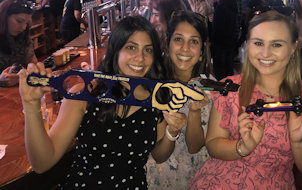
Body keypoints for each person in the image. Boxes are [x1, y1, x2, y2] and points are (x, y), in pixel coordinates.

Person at [18, 15, 187, 189]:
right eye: (131, 47)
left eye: (148, 50)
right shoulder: (83, 95)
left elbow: (159, 155)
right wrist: (31, 106)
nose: (141, 58)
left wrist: (172, 132)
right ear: (116, 51)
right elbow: (42, 163)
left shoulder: (157, 98)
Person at [190, 10, 302, 189]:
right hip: (216, 182)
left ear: (293, 47)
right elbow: (213, 144)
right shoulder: (230, 88)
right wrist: (241, 148)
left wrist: (298, 143)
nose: (265, 53)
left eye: (277, 45)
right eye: (258, 43)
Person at [147, 11, 211, 189]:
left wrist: (195, 111)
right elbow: (158, 154)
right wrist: (171, 130)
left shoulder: (208, 88)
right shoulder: (154, 86)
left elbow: (195, 146)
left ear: (201, 51)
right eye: (178, 39)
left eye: (194, 41)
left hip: (195, 179)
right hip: (158, 177)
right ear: (167, 45)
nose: (185, 48)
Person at [0, 0, 37, 87]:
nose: (24, 27)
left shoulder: (22, 36)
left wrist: (32, 69)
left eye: (26, 23)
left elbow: (32, 62)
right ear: (4, 17)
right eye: (19, 21)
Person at [211, 0, 238, 81]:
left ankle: (221, 93)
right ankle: (230, 92)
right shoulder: (233, 4)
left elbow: (217, 29)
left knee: (220, 71)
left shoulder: (220, 7)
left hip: (220, 44)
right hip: (231, 41)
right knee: (228, 68)